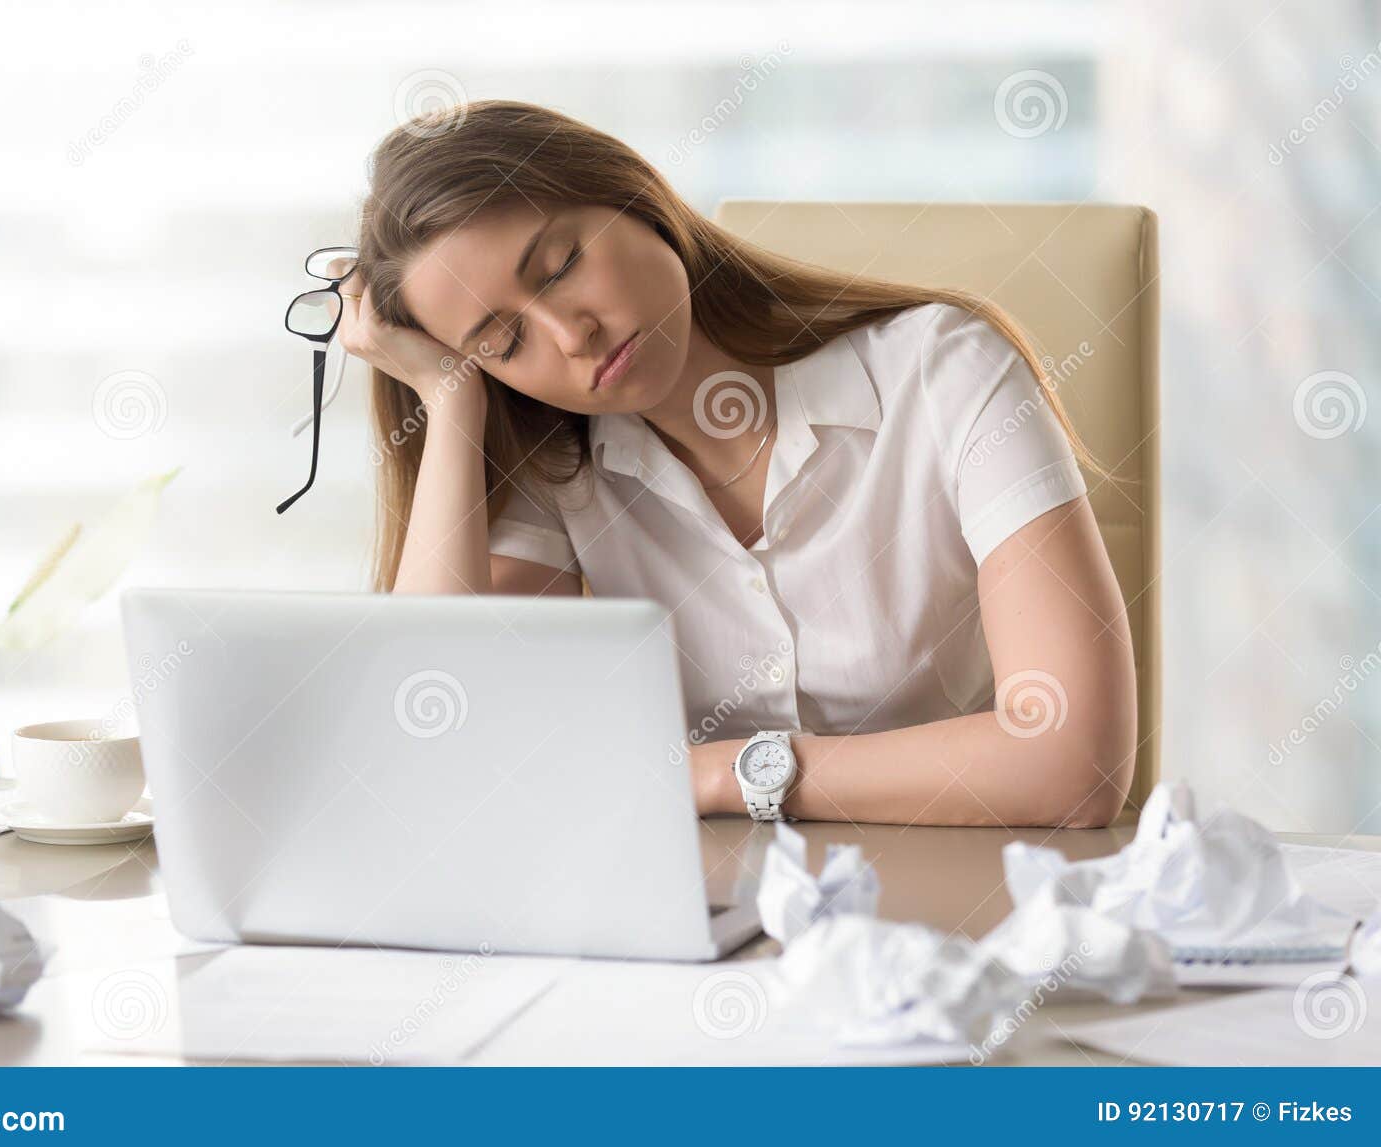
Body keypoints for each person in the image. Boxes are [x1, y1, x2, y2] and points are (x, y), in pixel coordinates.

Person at [332, 99, 1136, 828]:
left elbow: (1073, 762)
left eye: (560, 265)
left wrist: (718, 776)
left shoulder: (945, 372)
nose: (569, 334)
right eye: (504, 341)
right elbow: (434, 731)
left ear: (630, 195)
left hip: (973, 908)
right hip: (711, 931)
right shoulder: (557, 469)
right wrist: (450, 396)